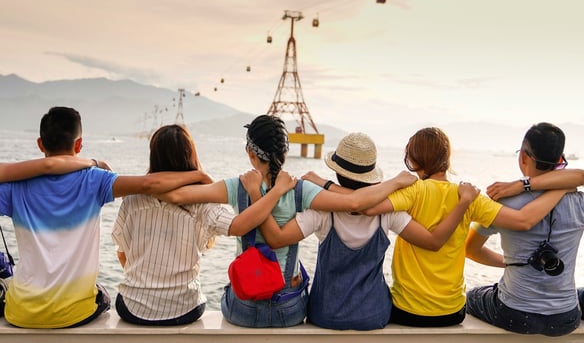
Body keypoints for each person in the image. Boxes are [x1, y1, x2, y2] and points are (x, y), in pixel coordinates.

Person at [158, 115, 418, 328]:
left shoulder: (236, 186)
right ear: (285, 152)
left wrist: (198, 175)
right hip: (289, 308)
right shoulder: (301, 190)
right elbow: (355, 203)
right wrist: (395, 182)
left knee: (230, 289)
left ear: (250, 153)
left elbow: (176, 195)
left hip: (244, 308)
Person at [312, 126, 569, 327]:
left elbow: (361, 206)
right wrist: (560, 187)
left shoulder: (413, 191)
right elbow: (523, 220)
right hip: (451, 312)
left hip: (407, 311)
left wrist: (324, 184)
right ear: (447, 158)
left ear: (413, 159)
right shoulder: (469, 196)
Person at [0, 106, 222, 329]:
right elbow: (149, 184)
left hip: (21, 311)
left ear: (40, 144)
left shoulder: (13, 189)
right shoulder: (95, 180)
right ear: (79, 145)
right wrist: (200, 175)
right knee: (102, 295)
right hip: (75, 312)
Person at [255, 132, 480, 330]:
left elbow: (277, 239)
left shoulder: (322, 211)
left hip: (325, 314)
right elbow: (432, 241)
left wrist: (259, 196)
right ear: (370, 174)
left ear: (337, 173)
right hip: (374, 315)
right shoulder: (389, 212)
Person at [112, 124, 296, 326]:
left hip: (132, 308)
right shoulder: (201, 203)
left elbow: (122, 254)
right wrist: (201, 176)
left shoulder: (132, 200)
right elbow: (238, 226)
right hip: (184, 308)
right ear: (190, 156)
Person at [465, 122, 584, 336]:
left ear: (523, 157)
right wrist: (566, 186)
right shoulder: (579, 202)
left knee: (472, 295)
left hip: (514, 313)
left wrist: (511, 263)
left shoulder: (502, 202)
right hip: (565, 317)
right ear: (560, 161)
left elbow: (470, 249)